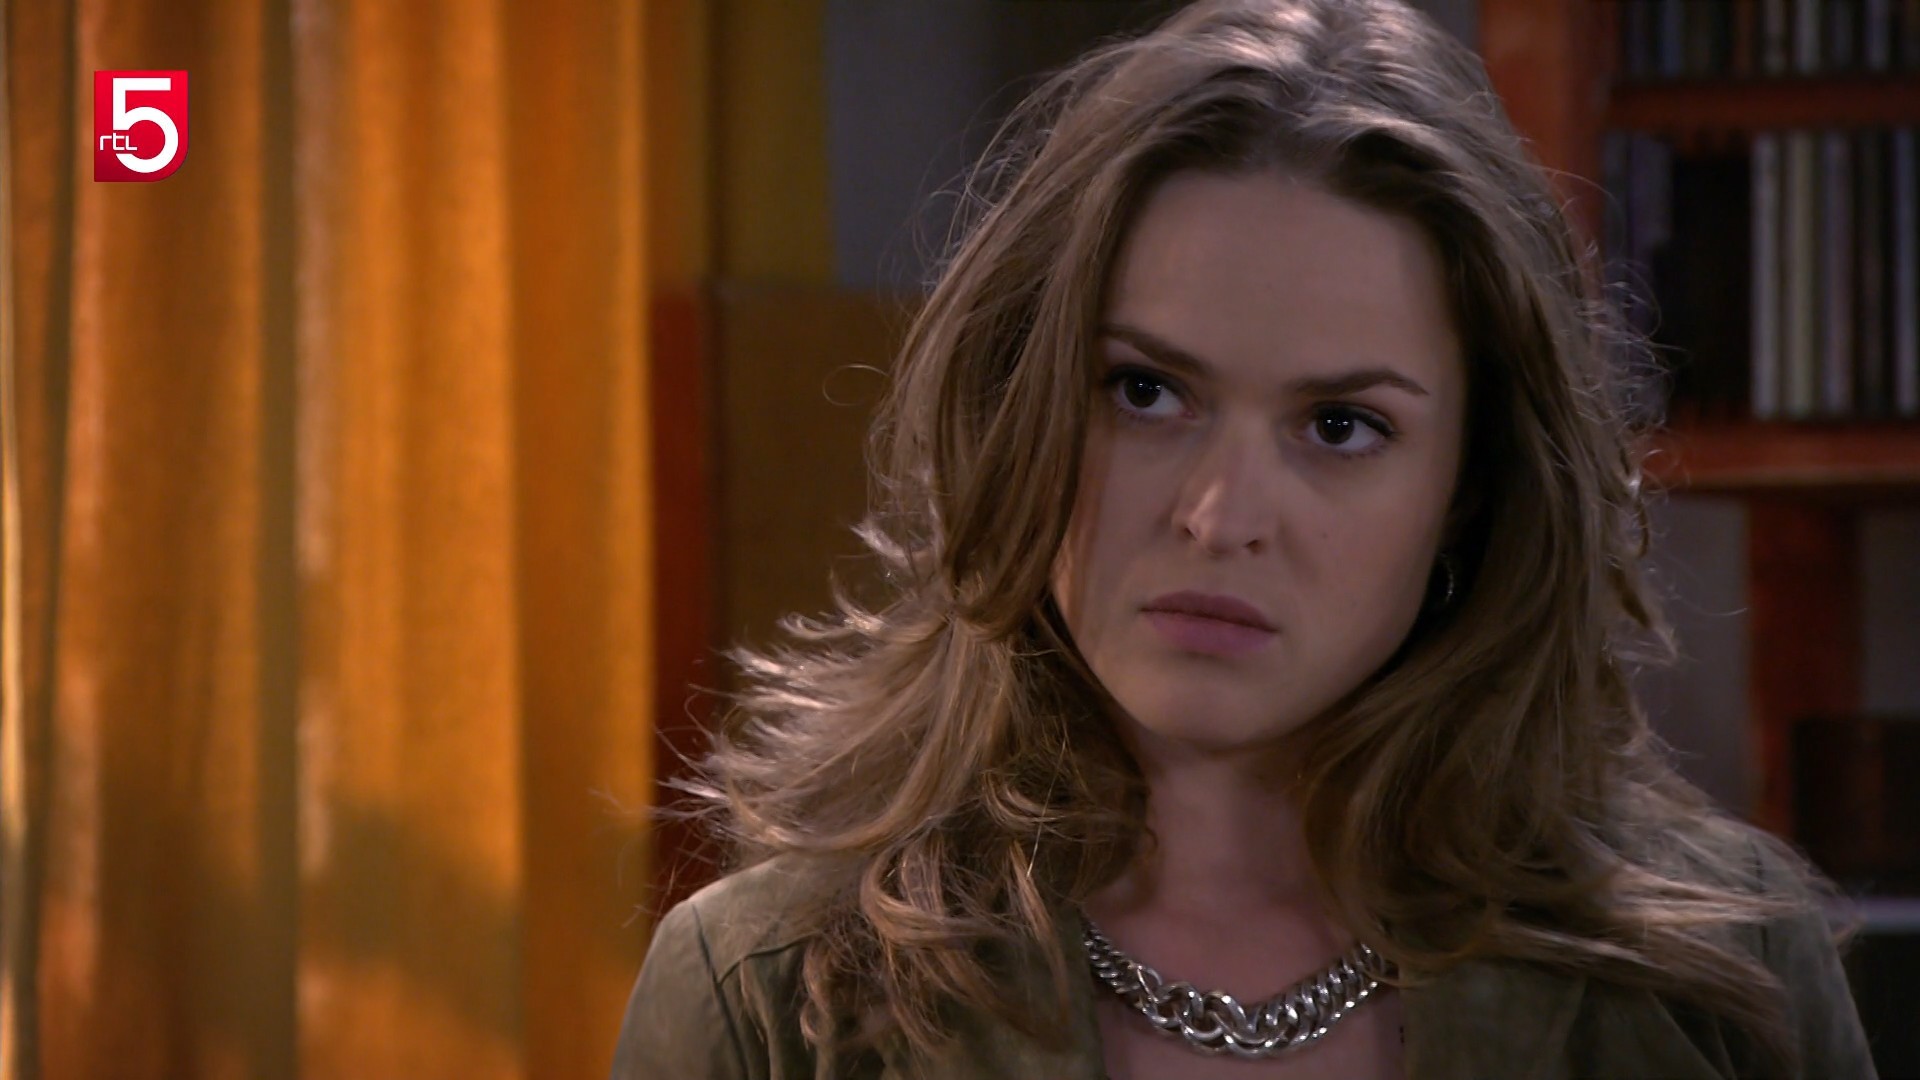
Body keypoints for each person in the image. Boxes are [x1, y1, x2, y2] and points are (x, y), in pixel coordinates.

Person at [611, 1, 1878, 1077]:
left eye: (1340, 426)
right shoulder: (766, 996)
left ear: (1472, 489)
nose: (1220, 516)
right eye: (1145, 392)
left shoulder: (1724, 983)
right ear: (1020, 408)